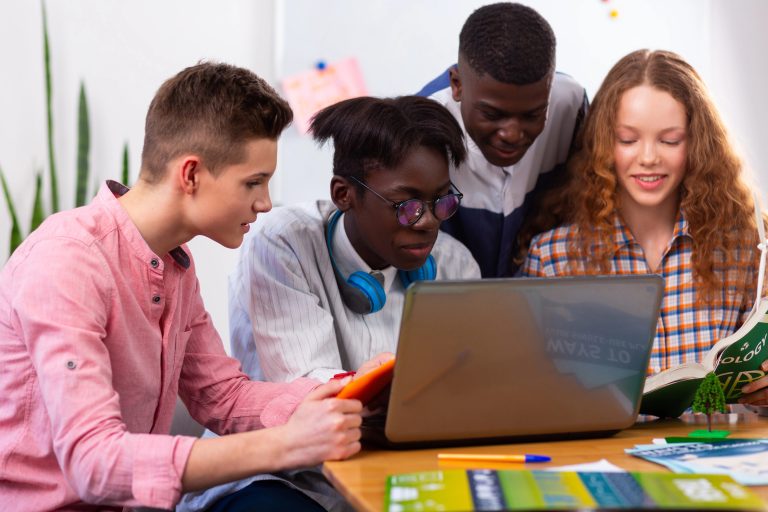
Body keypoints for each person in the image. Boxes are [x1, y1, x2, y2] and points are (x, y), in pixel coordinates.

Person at [0, 62, 371, 511]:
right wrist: (288, 444)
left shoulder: (175, 264)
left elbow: (224, 396)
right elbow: (94, 462)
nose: (265, 202)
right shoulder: (67, 261)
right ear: (191, 174)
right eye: (253, 182)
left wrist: (356, 388)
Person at [178, 96, 480, 512]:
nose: (427, 221)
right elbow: (312, 395)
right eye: (406, 205)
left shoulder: (455, 262)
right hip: (282, 474)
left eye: (442, 202)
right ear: (344, 194)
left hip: (400, 469)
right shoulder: (284, 242)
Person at [520, 49, 768, 405]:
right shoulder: (552, 257)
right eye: (628, 140)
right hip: (602, 458)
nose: (648, 157)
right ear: (605, 144)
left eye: (669, 140)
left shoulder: (748, 248)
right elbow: (531, 394)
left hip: (716, 452)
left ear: (696, 143)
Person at [417, 2, 588, 277]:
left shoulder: (570, 105)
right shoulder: (419, 127)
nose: (512, 134)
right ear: (457, 84)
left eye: (533, 114)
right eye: (492, 114)